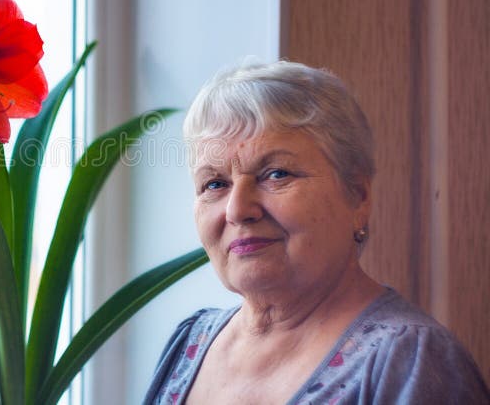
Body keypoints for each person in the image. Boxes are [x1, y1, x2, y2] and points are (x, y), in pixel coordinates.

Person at [143, 61, 489, 404]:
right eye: (215, 183)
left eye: (276, 174)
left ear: (358, 196)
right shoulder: (190, 343)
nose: (237, 210)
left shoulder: (411, 362)